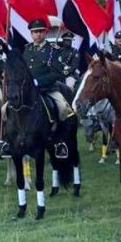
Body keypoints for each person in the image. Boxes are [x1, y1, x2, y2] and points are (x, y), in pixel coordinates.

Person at [23, 19, 74, 155]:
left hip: (48, 89)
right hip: (28, 91)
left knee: (63, 109)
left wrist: (39, 82)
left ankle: (60, 141)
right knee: (6, 109)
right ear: (31, 34)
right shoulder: (26, 49)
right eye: (35, 32)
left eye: (40, 32)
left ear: (45, 32)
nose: (38, 35)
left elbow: (56, 72)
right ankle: (7, 140)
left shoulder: (54, 50)